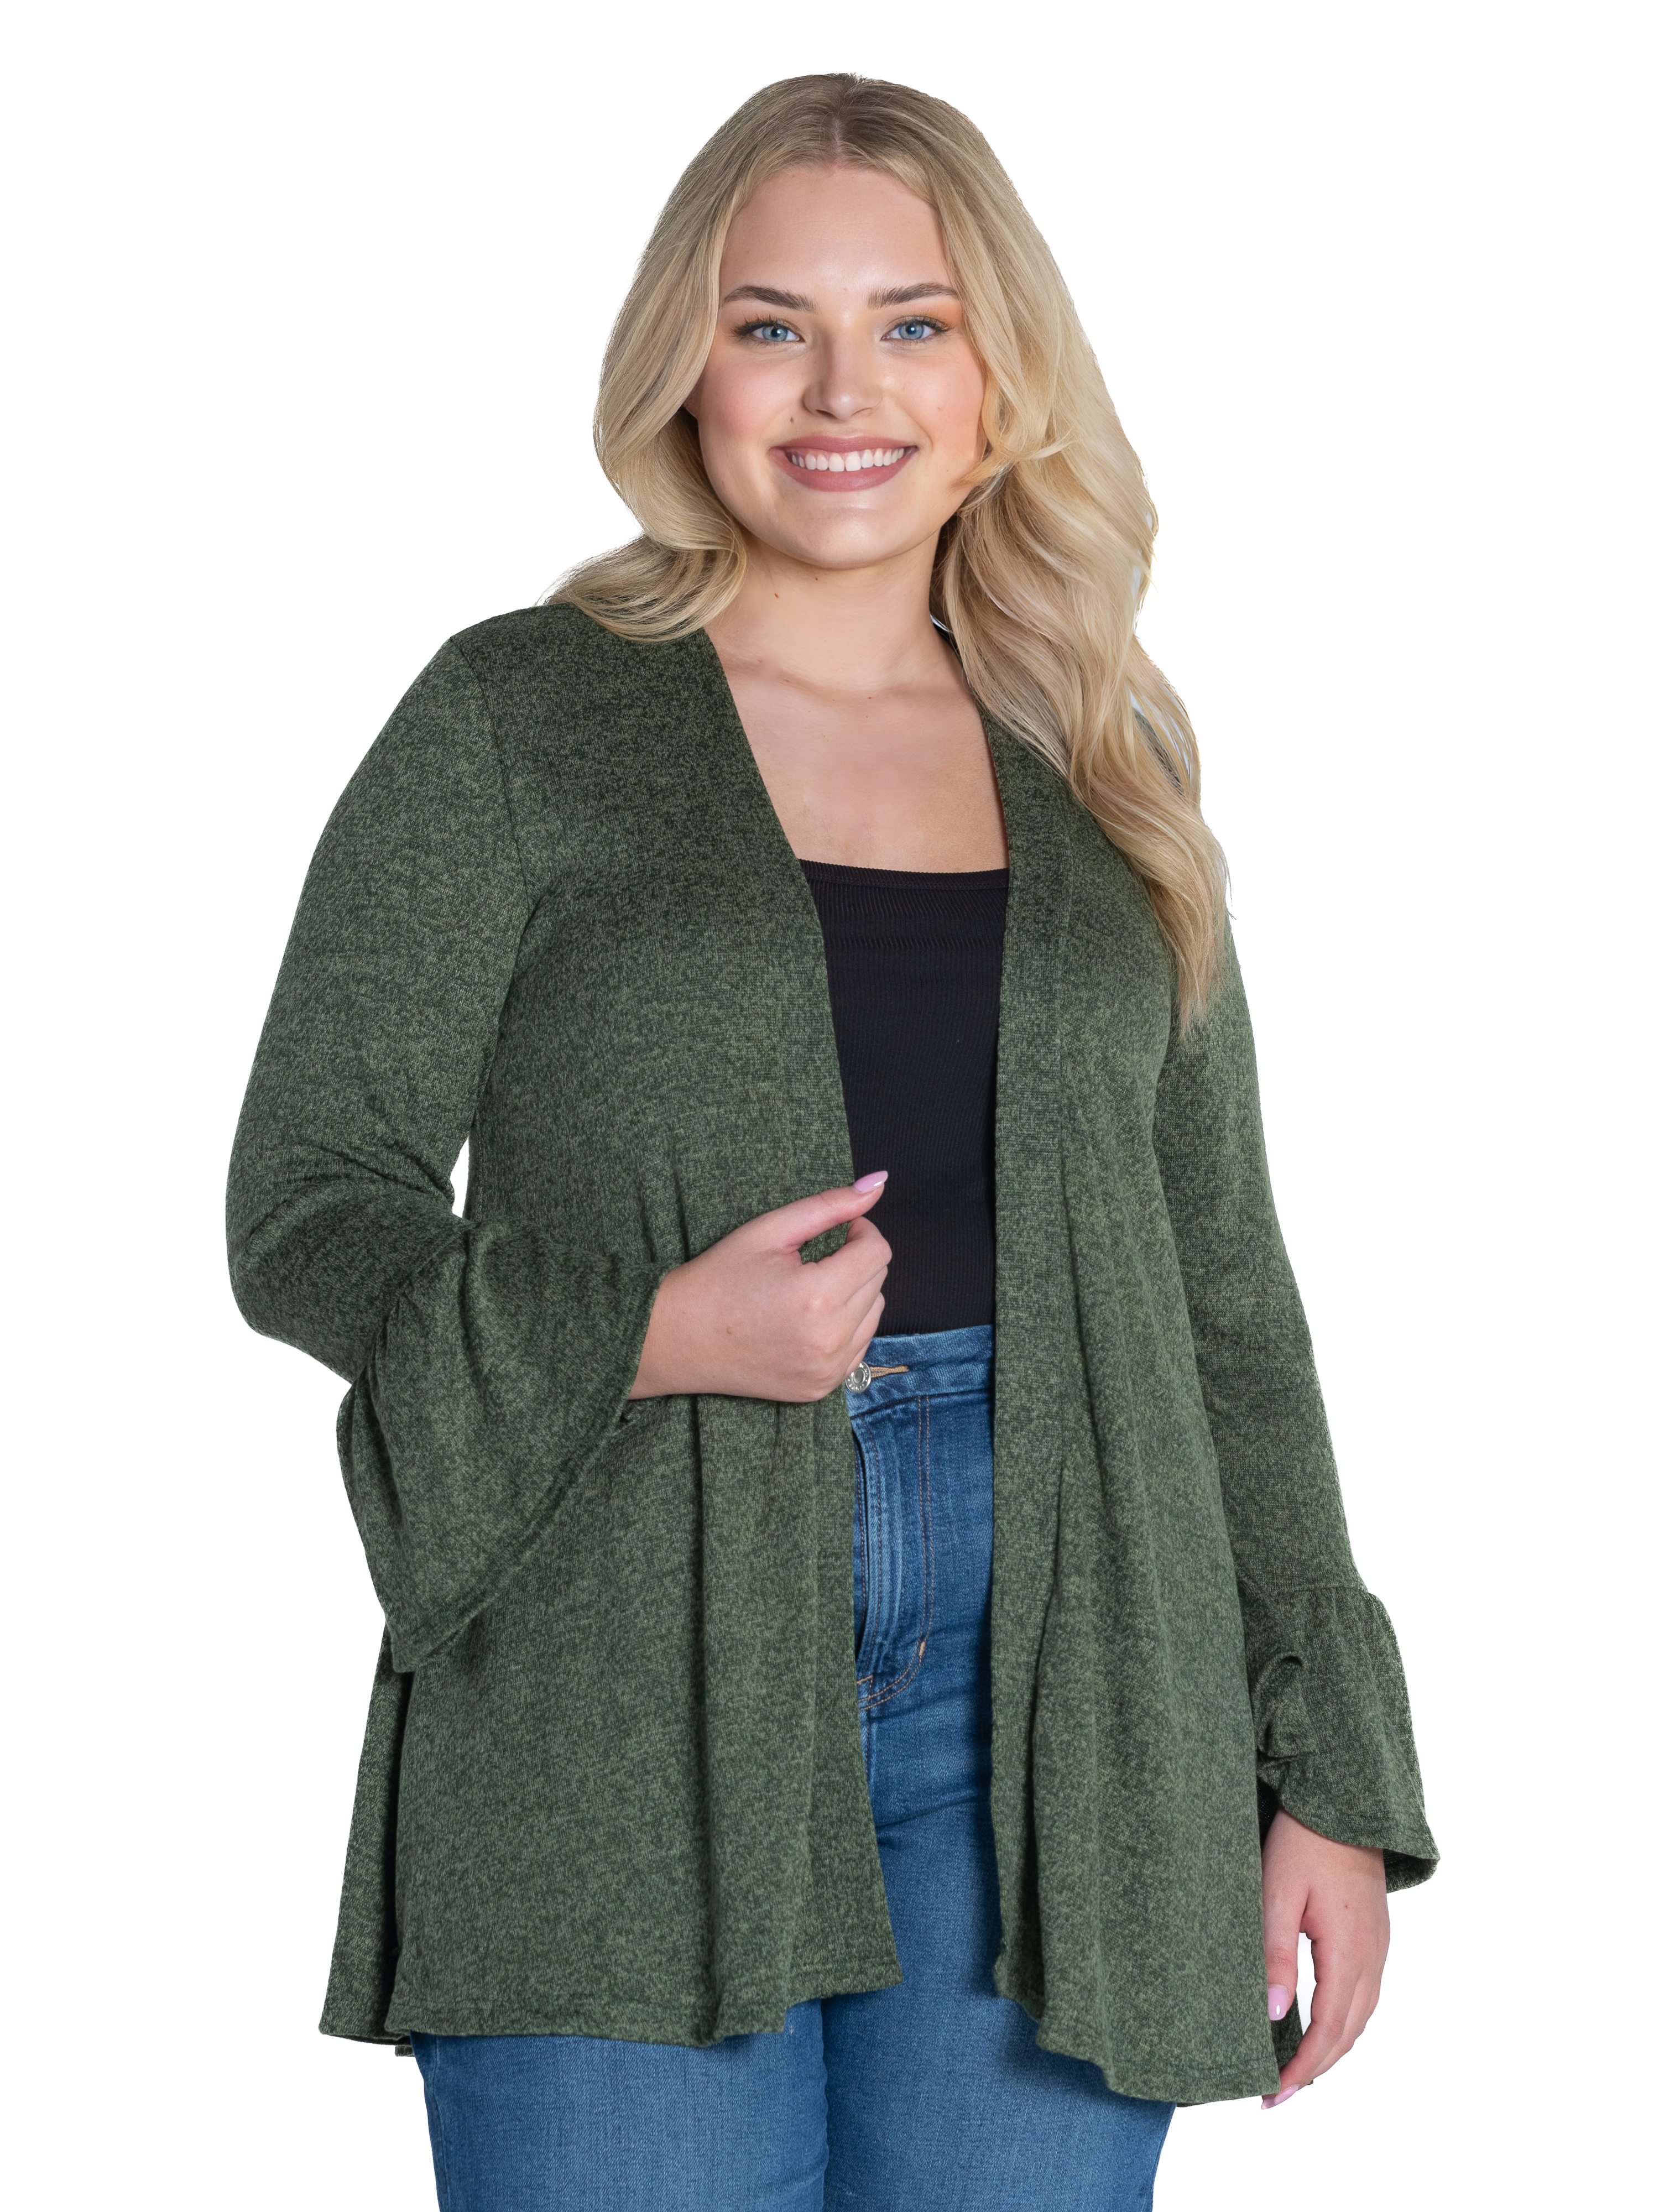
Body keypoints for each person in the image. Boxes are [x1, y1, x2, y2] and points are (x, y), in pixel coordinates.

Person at [227, 72, 1436, 2212]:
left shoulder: (1101, 757)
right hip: (618, 1660)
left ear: (1000, 381)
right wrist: (645, 1331)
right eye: (772, 323)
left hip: (1067, 1675)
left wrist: (1326, 1765)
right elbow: (307, 1203)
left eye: (915, 324)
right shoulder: (518, 718)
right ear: (686, 367)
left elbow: (1226, 1299)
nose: (842, 391)